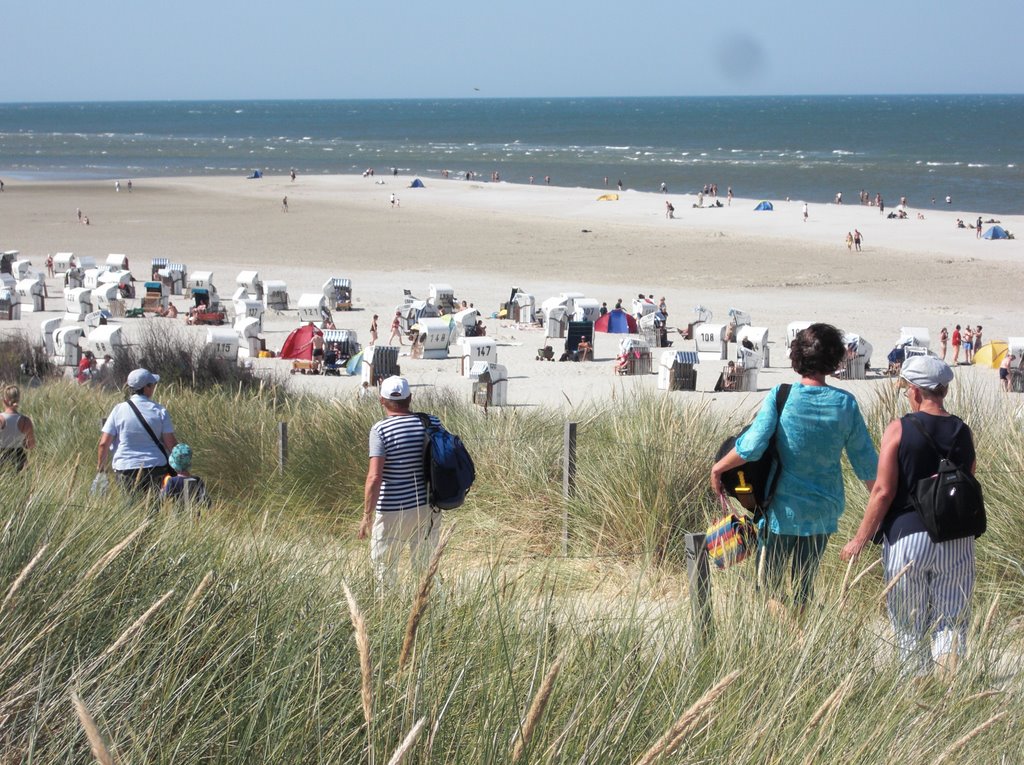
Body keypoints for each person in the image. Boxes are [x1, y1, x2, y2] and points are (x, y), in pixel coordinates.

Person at [711, 323, 877, 610]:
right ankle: (802, 640)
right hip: (824, 510)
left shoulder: (782, 395)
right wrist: (875, 520)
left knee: (768, 588)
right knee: (804, 586)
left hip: (782, 512)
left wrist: (717, 469)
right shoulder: (845, 404)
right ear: (835, 359)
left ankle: (795, 641)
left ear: (798, 356)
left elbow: (750, 447)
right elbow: (868, 469)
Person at [841, 357, 974, 677]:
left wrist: (860, 539)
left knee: (909, 628)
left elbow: (883, 491)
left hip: (907, 537)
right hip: (955, 537)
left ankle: (918, 706)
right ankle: (950, 697)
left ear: (914, 390)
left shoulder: (899, 429)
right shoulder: (962, 431)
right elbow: (967, 480)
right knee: (951, 623)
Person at [359, 376, 444, 585]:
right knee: (425, 569)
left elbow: (374, 477)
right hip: (427, 505)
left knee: (384, 569)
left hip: (392, 509)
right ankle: (429, 610)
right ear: (410, 398)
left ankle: (386, 611)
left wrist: (366, 515)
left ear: (382, 401)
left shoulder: (380, 430)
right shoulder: (431, 422)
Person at [96, 368, 177, 498]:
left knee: (129, 509)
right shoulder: (160, 410)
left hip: (126, 467)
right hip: (155, 466)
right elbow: (171, 444)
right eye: (153, 385)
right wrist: (181, 468)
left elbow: (103, 443)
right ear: (147, 387)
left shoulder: (118, 410)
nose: (154, 388)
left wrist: (101, 469)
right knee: (153, 509)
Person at [160, 443, 210, 511]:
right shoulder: (197, 480)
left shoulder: (172, 481)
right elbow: (206, 501)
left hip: (179, 517)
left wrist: (162, 491)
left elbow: (162, 498)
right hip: (196, 517)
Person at [0, 385, 36, 473]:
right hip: (19, 458)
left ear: (4, 401)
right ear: (18, 400)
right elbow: (31, 445)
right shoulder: (25, 421)